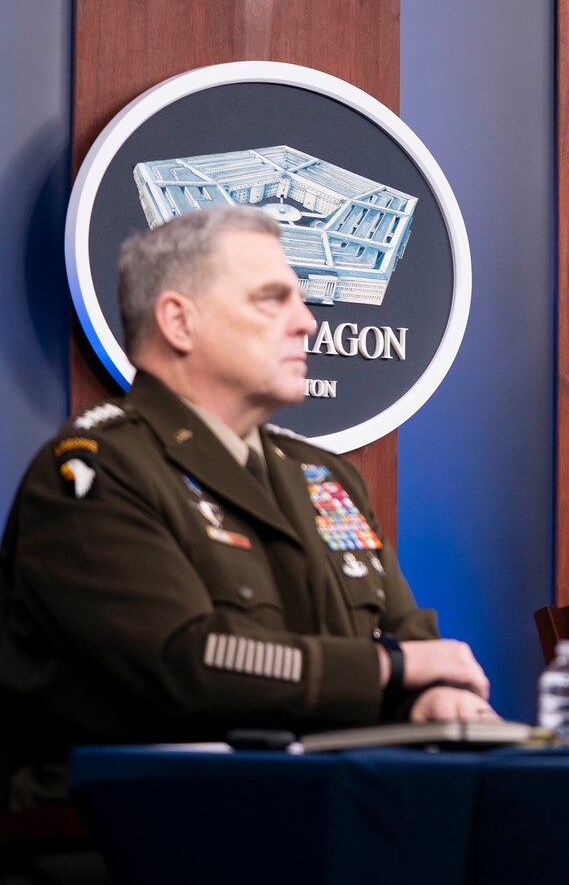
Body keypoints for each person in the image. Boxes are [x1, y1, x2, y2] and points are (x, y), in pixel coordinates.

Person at [0, 207, 494, 807]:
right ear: (180, 322)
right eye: (272, 300)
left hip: (321, 812)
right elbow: (188, 663)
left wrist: (433, 693)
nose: (308, 323)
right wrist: (390, 669)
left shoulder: (324, 475)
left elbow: (407, 632)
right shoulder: (94, 470)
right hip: (145, 828)